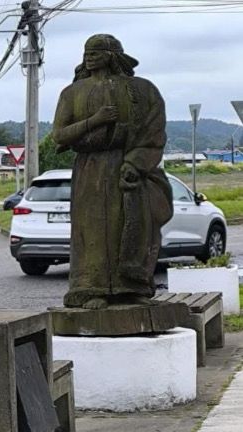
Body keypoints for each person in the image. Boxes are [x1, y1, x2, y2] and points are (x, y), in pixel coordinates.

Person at [53, 34, 172, 310]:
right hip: (90, 171)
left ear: (113, 54)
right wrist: (95, 121)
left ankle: (133, 286)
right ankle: (90, 288)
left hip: (128, 167)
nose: (89, 56)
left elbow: (154, 131)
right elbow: (59, 135)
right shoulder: (72, 93)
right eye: (87, 51)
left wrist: (136, 164)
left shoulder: (143, 90)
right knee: (92, 230)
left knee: (132, 226)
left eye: (97, 51)